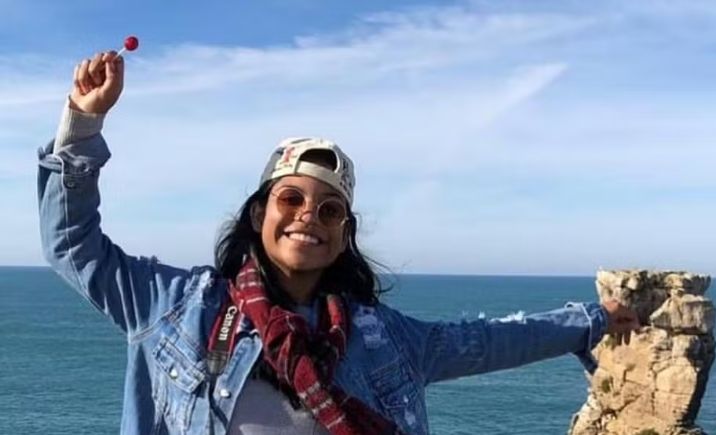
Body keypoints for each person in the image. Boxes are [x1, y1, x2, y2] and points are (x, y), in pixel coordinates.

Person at [38, 50, 640, 435]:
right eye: (290, 199)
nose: (309, 217)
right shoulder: (175, 307)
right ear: (259, 213)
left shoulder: (384, 338)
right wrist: (83, 124)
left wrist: (592, 320)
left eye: (330, 210)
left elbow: (485, 342)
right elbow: (72, 246)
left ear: (344, 234)